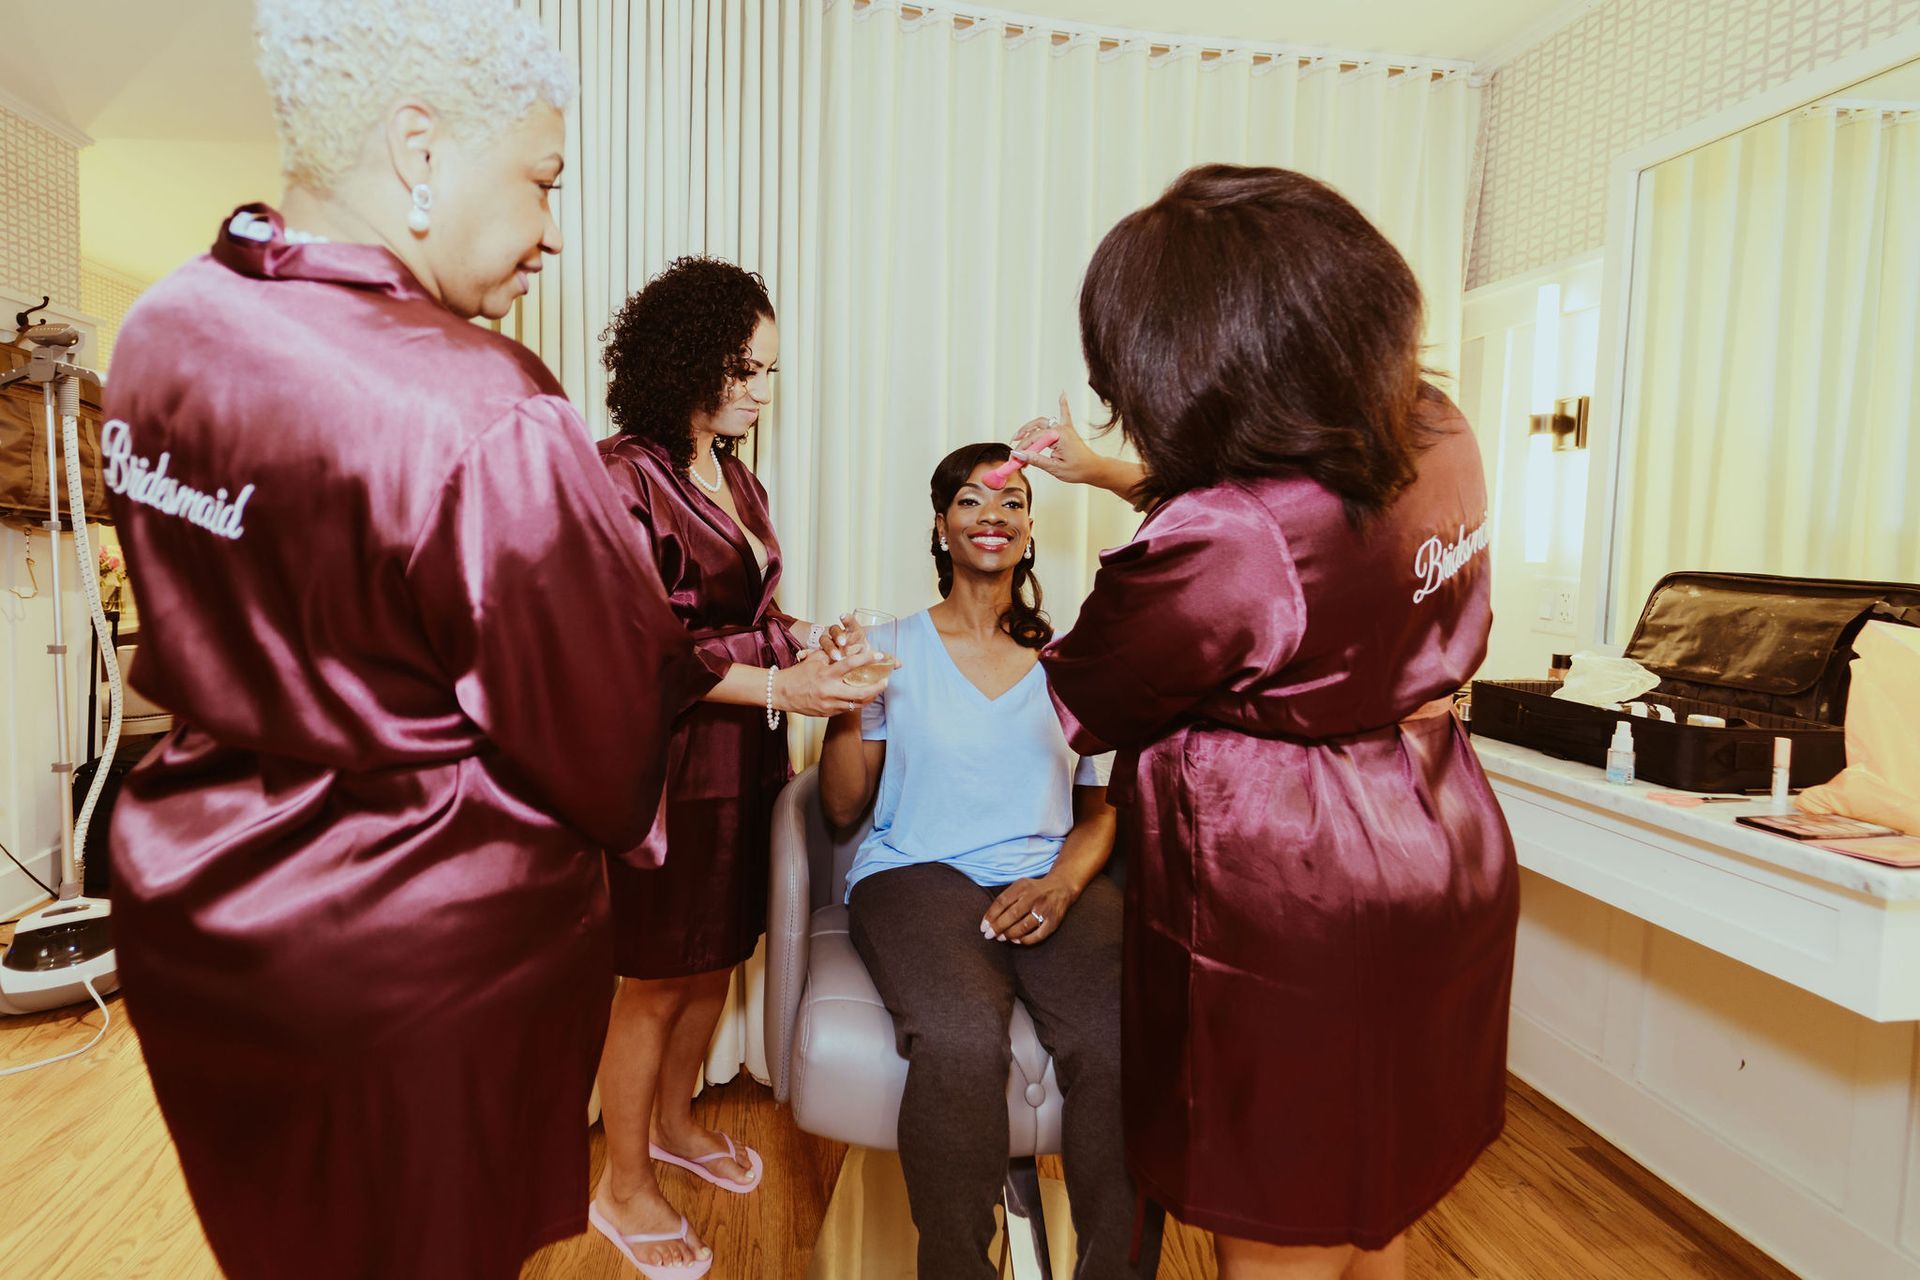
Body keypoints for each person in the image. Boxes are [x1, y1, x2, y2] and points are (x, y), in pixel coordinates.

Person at [97, 4, 700, 1278]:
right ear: (418, 147)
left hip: (205, 912)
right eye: (543, 178)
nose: (551, 230)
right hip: (415, 949)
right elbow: (602, 736)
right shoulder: (479, 403)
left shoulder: (160, 329)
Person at [1023, 164, 1519, 1280]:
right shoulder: (1437, 427)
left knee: (1281, 1231)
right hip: (1441, 843)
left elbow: (1090, 691)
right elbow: (1316, 562)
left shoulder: (1222, 535)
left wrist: (1141, 521)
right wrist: (1124, 481)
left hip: (1295, 896)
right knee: (1378, 1196)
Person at [592, 257, 888, 1276]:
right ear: (688, 361)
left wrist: (816, 637)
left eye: (769, 372)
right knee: (653, 980)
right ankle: (621, 1186)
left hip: (744, 757)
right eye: (748, 370)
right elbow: (642, 650)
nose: (763, 391)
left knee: (715, 955)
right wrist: (782, 689)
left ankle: (673, 1123)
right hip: (670, 763)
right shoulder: (619, 475)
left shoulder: (735, 470)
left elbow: (751, 617)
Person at [816, 443, 1156, 1280]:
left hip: (1048, 875)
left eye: (1011, 503)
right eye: (971, 501)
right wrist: (842, 700)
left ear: (1031, 532)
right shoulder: (887, 645)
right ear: (941, 526)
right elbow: (840, 807)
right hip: (913, 875)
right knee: (963, 1040)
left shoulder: (1076, 661)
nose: (992, 516)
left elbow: (1099, 811)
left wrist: (1064, 883)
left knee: (1125, 1041)